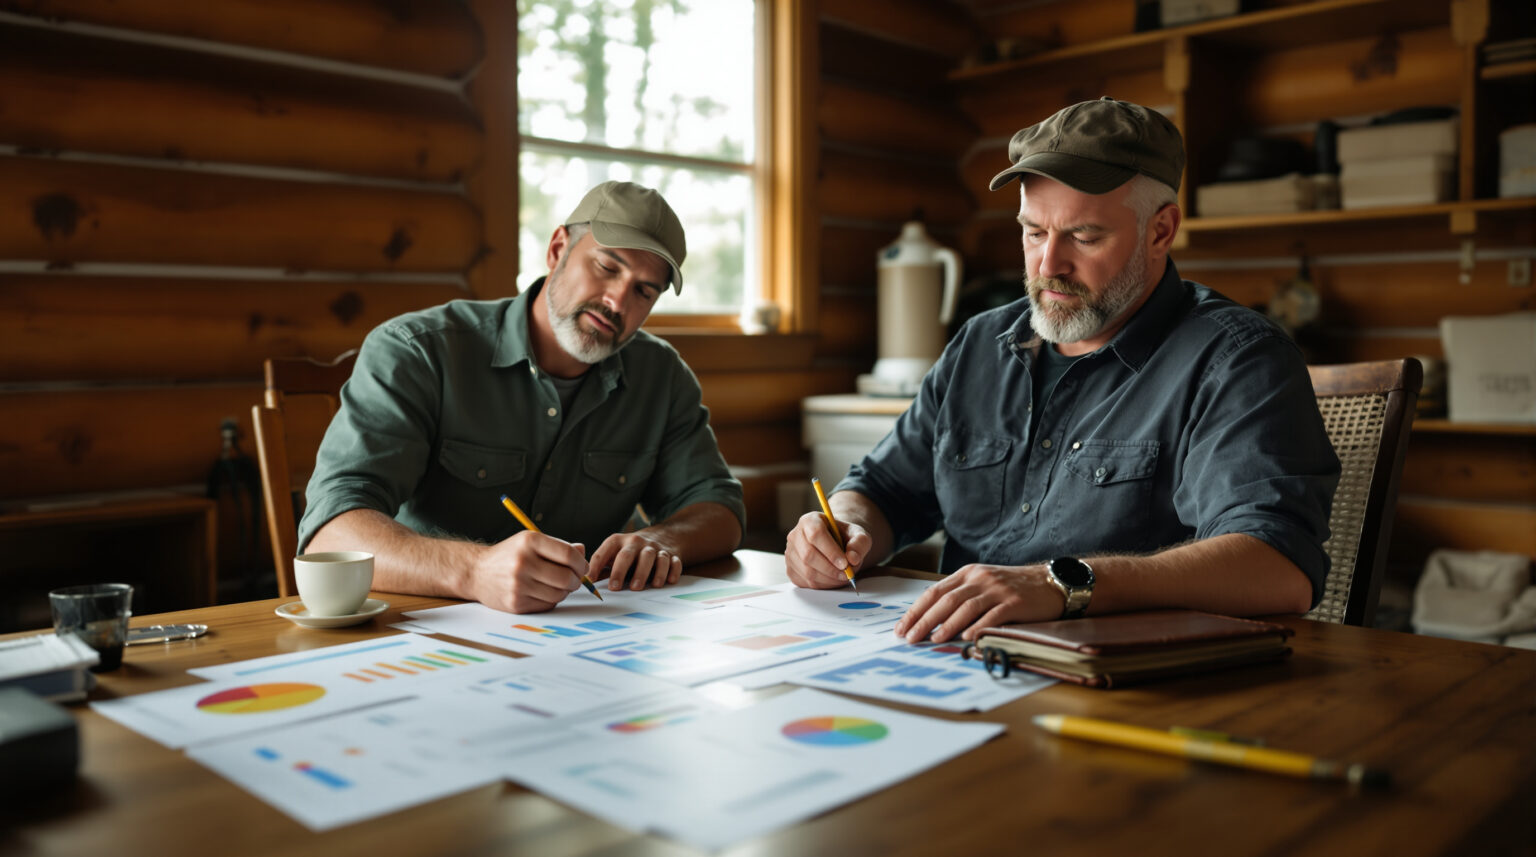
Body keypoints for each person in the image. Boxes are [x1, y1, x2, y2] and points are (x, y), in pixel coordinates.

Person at [785, 97, 1340, 645]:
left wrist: (1062, 584)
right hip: (953, 660)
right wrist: (843, 529)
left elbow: (1278, 564)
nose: (1048, 266)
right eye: (1033, 232)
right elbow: (884, 489)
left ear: (1161, 230)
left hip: (1127, 685)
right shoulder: (981, 344)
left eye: (1084, 235)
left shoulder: (1236, 358)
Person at [302, 181, 745, 613]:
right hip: (424, 631)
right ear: (557, 250)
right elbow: (331, 532)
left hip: (589, 634)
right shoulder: (418, 350)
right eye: (607, 268)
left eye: (644, 291)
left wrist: (662, 540)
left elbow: (719, 508)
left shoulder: (662, 377)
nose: (617, 301)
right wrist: (474, 571)